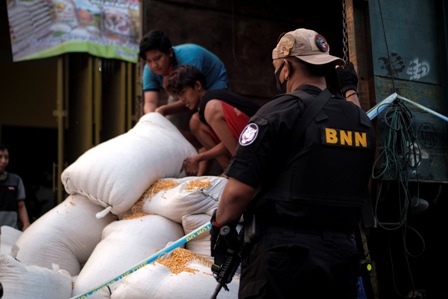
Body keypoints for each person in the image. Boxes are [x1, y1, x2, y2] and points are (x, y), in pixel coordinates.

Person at [210, 28, 376, 298]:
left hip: (283, 261)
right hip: (341, 258)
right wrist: (349, 90)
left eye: (277, 68)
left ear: (285, 68)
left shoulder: (278, 112)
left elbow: (237, 193)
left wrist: (220, 227)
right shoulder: (359, 121)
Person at [163, 64, 261, 176]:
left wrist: (200, 157)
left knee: (211, 109)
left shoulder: (210, 102)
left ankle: (240, 170)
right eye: (178, 96)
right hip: (243, 141)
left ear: (197, 85)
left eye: (183, 93)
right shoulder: (202, 111)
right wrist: (198, 176)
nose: (182, 100)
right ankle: (228, 169)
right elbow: (227, 141)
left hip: (259, 137)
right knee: (195, 122)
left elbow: (234, 139)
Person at [139, 29, 228, 147]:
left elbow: (192, 97)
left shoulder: (190, 57)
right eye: (149, 61)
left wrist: (164, 110)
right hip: (183, 92)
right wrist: (153, 119)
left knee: (201, 122)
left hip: (213, 84)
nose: (154, 65)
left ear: (169, 52)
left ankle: (210, 154)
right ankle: (199, 147)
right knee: (168, 128)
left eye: (158, 58)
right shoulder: (149, 70)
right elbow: (150, 102)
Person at [0, 143, 30, 231]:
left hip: (10, 232)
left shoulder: (16, 180)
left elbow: (21, 205)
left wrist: (26, 223)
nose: (3, 161)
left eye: (6, 157)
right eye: (0, 157)